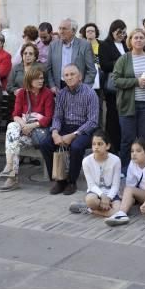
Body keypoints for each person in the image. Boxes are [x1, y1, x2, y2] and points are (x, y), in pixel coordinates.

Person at [43, 64, 99, 195]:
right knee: (45, 144)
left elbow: (92, 121)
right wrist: (55, 132)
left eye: (72, 74)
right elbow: (57, 117)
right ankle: (59, 179)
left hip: (84, 129)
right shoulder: (62, 94)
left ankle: (72, 181)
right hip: (65, 127)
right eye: (66, 75)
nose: (69, 77)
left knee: (76, 147)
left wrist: (74, 135)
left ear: (80, 76)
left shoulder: (90, 93)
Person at [112, 28, 145, 172]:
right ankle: (125, 168)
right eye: (136, 38)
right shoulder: (124, 59)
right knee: (128, 138)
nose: (139, 40)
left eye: (142, 38)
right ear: (130, 41)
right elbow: (115, 80)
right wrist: (136, 82)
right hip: (128, 104)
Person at [0, 66, 54, 192]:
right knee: (12, 127)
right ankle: (10, 170)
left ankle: (11, 176)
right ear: (30, 79)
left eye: (42, 78)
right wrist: (24, 125)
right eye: (37, 78)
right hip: (24, 129)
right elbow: (15, 115)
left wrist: (31, 126)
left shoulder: (47, 93)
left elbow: (48, 118)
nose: (41, 81)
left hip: (38, 132)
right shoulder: (22, 93)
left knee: (13, 143)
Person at [69, 130, 122, 217]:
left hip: (111, 193)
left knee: (118, 211)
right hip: (95, 192)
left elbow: (115, 186)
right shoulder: (86, 161)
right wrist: (102, 196)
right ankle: (93, 207)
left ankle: (88, 209)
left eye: (100, 144)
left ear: (107, 146)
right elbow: (91, 185)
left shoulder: (116, 160)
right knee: (91, 201)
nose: (96, 147)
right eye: (94, 144)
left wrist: (108, 198)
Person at [99, 19, 128, 155]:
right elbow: (104, 65)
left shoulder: (126, 44)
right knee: (112, 116)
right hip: (112, 86)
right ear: (112, 31)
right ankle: (112, 146)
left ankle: (123, 145)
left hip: (126, 86)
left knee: (124, 116)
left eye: (123, 32)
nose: (121, 34)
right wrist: (121, 62)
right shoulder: (105, 45)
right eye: (119, 32)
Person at [46, 19, 96, 92]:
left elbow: (91, 70)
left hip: (79, 87)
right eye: (60, 28)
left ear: (73, 31)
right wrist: (52, 86)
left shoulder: (85, 45)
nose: (61, 32)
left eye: (64, 29)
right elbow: (49, 68)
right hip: (59, 87)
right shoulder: (53, 45)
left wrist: (85, 88)